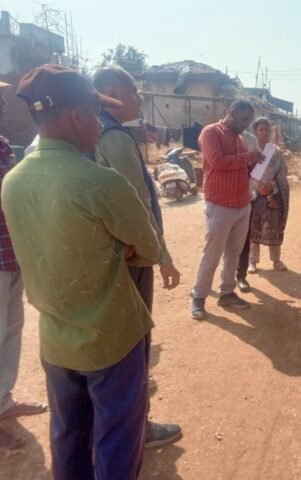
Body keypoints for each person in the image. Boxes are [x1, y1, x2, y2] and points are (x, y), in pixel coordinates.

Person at [4, 64, 162, 478]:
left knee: (69, 438)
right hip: (111, 338)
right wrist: (120, 247)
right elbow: (149, 249)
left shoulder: (13, 181)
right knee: (116, 442)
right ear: (77, 116)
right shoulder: (101, 182)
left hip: (56, 339)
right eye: (95, 113)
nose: (99, 123)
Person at [92, 67, 182, 448]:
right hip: (131, 261)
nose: (140, 98)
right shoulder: (112, 136)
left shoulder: (85, 133)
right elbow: (136, 206)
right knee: (134, 344)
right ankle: (138, 427)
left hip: (102, 260)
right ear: (110, 92)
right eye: (134, 91)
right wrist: (160, 255)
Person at [0, 81, 47, 451]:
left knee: (11, 329)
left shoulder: (3, 144)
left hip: (10, 252)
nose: (2, 103)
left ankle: (3, 400)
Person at [191, 100, 264, 319]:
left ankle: (227, 293)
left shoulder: (240, 139)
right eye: (243, 119)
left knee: (233, 253)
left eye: (248, 121)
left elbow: (241, 166)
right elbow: (218, 162)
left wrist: (256, 164)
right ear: (232, 112)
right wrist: (248, 157)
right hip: (220, 205)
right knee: (212, 254)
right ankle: (198, 297)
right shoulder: (210, 132)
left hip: (242, 204)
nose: (246, 124)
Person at [242, 117, 289, 276]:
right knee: (253, 228)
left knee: (274, 227)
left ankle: (276, 260)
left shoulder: (275, 151)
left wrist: (272, 187)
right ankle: (252, 261)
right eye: (261, 130)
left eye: (267, 129)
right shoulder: (250, 151)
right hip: (254, 194)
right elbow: (246, 172)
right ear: (255, 132)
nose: (264, 133)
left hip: (273, 194)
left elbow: (283, 171)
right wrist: (259, 187)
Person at [236, 128, 260, 293]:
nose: (244, 122)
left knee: (244, 240)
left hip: (247, 196)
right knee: (218, 242)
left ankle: (241, 276)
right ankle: (205, 283)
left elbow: (258, 167)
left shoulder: (251, 139)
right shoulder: (217, 135)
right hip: (223, 199)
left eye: (247, 119)